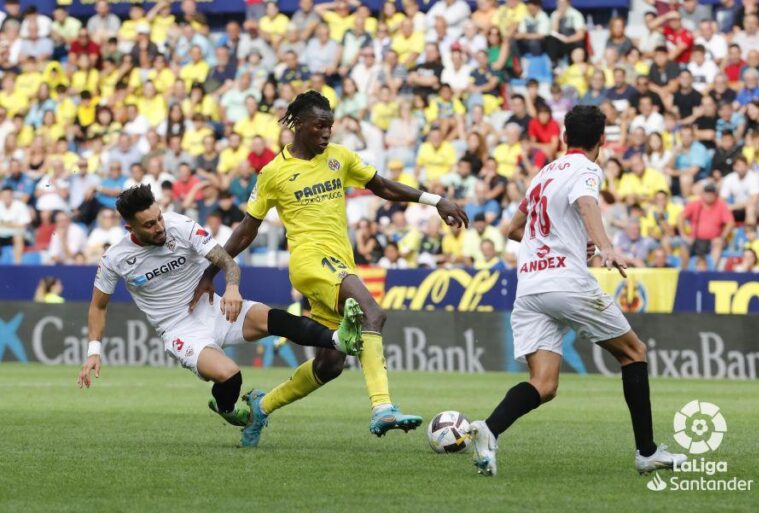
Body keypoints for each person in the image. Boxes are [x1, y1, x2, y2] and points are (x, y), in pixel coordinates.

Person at [191, 91, 468, 444]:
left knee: (330, 363)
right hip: (310, 262)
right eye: (319, 125)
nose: (326, 133)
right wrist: (210, 272)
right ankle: (382, 407)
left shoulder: (339, 157)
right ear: (298, 124)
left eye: (330, 126)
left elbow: (382, 186)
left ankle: (262, 407)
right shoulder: (274, 173)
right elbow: (247, 229)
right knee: (372, 313)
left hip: (339, 262)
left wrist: (435, 200)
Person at [468, 105, 686, 477]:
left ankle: (489, 429)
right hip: (565, 283)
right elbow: (586, 204)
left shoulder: (543, 174)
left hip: (530, 288)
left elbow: (514, 229)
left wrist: (569, 241)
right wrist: (605, 246)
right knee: (633, 352)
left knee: (544, 383)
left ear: (564, 136)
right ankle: (647, 452)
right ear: (602, 139)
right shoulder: (587, 169)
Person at [77, 185, 365, 447]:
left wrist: (232, 287)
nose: (159, 227)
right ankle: (226, 409)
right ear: (130, 227)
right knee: (229, 375)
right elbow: (98, 306)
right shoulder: (115, 258)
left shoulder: (180, 226)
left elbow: (227, 260)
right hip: (178, 328)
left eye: (159, 218)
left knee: (272, 318)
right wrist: (93, 352)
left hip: (213, 305)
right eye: (149, 225)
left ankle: (338, 339)